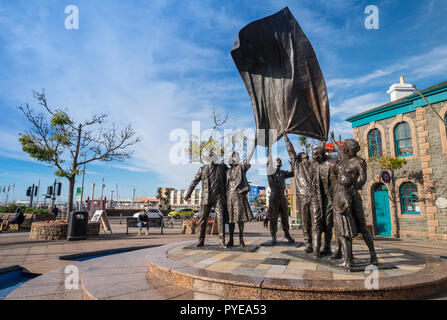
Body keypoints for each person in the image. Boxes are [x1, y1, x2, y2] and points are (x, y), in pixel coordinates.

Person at [329, 131, 378, 265]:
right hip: (340, 194)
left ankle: (373, 255)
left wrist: (354, 188)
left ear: (350, 150)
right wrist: (332, 140)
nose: (343, 147)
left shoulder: (359, 162)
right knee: (340, 224)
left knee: (361, 226)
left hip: (352, 196)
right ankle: (341, 252)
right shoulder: (344, 157)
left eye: (345, 146)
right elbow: (337, 149)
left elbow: (363, 178)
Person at [284, 134, 322, 257]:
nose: (306, 159)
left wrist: (323, 141)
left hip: (314, 197)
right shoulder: (296, 166)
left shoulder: (315, 165)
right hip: (302, 197)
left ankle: (316, 246)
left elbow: (320, 152)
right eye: (304, 158)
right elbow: (291, 151)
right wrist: (285, 137)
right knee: (305, 223)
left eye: (307, 157)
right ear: (299, 159)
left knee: (316, 222)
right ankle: (308, 243)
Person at [184, 150, 229, 248]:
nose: (212, 158)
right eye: (210, 156)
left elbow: (231, 174)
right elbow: (194, 182)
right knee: (203, 219)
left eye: (213, 156)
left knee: (221, 217)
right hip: (206, 197)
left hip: (218, 197)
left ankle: (221, 241)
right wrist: (188, 194)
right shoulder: (202, 169)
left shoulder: (222, 167)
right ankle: (201, 240)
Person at [310, 143, 338, 255]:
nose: (314, 158)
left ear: (322, 155)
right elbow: (313, 182)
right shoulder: (315, 165)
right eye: (313, 156)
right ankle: (316, 250)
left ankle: (327, 247)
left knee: (329, 224)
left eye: (316, 155)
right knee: (317, 223)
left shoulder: (333, 163)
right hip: (319, 198)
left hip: (332, 198)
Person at [266, 157, 295, 244]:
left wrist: (292, 164)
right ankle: (273, 236)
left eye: (279, 160)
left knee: (285, 216)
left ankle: (287, 234)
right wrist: (269, 149)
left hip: (282, 195)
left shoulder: (283, 173)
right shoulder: (270, 172)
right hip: (274, 195)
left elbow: (293, 173)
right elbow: (268, 164)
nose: (278, 161)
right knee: (273, 218)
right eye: (277, 160)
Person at [226, 152, 251, 247]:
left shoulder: (241, 167)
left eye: (237, 156)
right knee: (231, 219)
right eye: (234, 156)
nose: (236, 158)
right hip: (230, 196)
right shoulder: (227, 171)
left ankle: (241, 240)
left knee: (240, 218)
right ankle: (231, 240)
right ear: (231, 158)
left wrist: (254, 144)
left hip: (239, 195)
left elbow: (248, 158)